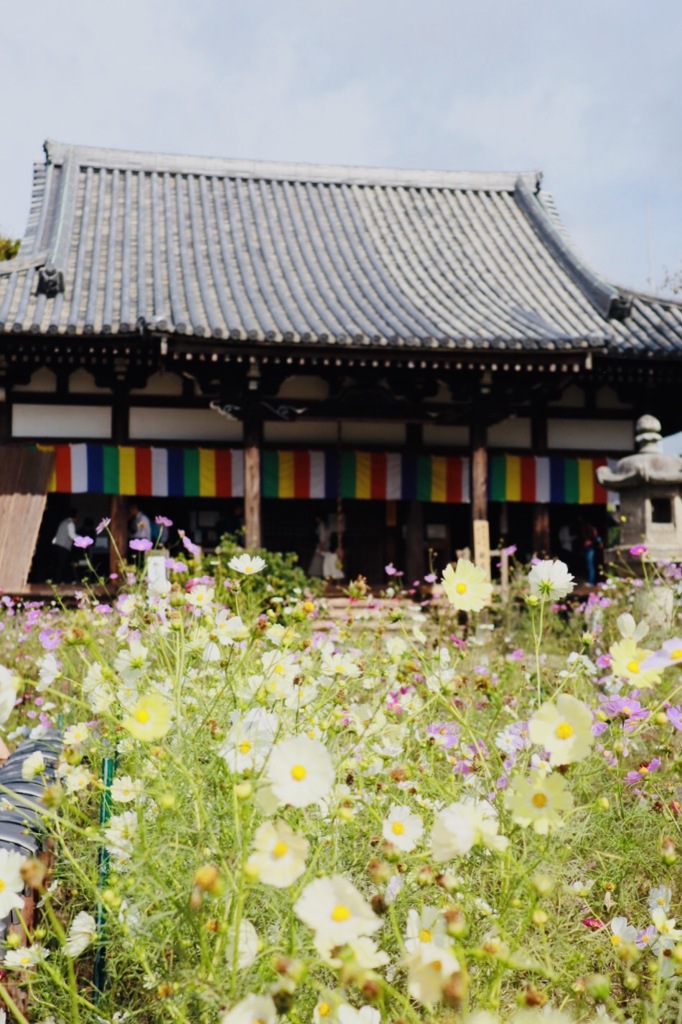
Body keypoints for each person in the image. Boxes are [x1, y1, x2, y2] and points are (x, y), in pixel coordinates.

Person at [51, 509, 78, 582]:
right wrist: (82, 540)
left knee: (59, 565)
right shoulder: (70, 523)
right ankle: (59, 581)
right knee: (62, 565)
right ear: (74, 517)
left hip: (57, 545)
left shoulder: (63, 522)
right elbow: (72, 535)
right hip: (64, 547)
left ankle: (58, 581)